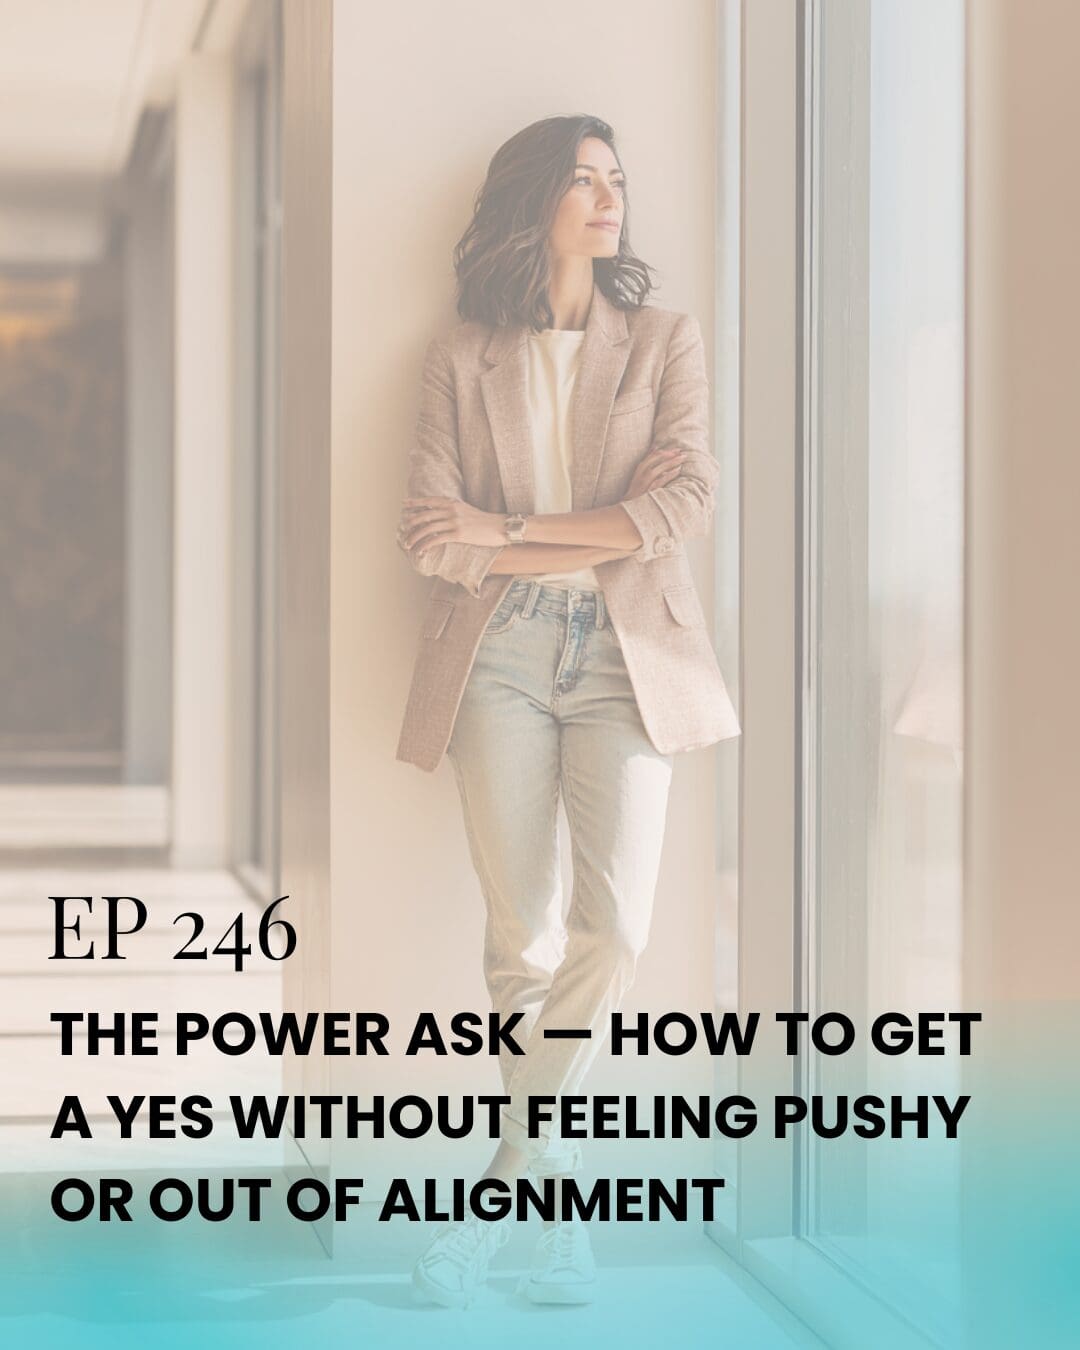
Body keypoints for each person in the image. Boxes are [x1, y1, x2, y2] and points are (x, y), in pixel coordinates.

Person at [395, 114, 740, 1309]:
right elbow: (431, 535)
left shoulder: (662, 343)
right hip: (497, 653)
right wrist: (566, 528)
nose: (608, 198)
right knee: (523, 944)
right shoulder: (459, 354)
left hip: (625, 656)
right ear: (535, 199)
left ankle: (498, 1200)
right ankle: (558, 1226)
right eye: (584, 180)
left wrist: (506, 531)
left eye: (618, 181)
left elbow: (686, 500)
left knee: (617, 931)